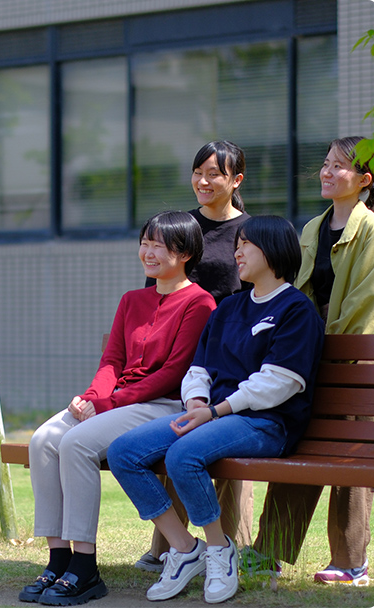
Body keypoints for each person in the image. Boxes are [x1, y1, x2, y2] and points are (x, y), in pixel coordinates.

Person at [108, 215, 325, 604]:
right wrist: (195, 401)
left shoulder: (296, 310)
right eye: (237, 243)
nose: (236, 252)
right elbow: (198, 368)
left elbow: (279, 383)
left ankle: (219, 551)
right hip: (213, 415)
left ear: (274, 250)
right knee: (124, 452)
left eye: (246, 244)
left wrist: (217, 410)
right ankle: (185, 548)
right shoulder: (230, 308)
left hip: (265, 423)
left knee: (184, 455)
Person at [18, 211, 215, 606]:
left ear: (187, 252)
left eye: (160, 245)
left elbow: (174, 373)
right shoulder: (132, 300)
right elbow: (112, 361)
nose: (149, 251)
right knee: (43, 440)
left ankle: (85, 567)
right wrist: (92, 397)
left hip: (162, 406)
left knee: (76, 444)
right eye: (145, 242)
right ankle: (59, 558)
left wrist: (107, 403)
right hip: (116, 401)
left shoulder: (200, 303)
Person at [241, 136, 374, 586]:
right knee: (299, 445)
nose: (326, 171)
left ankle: (350, 562)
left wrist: (326, 353)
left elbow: (364, 305)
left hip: (354, 365)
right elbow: (299, 298)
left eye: (339, 166)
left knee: (349, 459)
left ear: (364, 179)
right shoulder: (311, 229)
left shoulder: (373, 230)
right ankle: (271, 552)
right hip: (311, 359)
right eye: (325, 163)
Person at [139, 141, 253, 573]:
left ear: (235, 180)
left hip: (230, 356)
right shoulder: (178, 227)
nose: (204, 181)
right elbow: (156, 291)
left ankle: (232, 546)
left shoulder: (249, 230)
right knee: (175, 438)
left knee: (224, 452)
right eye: (198, 172)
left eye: (215, 174)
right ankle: (168, 546)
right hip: (178, 356)